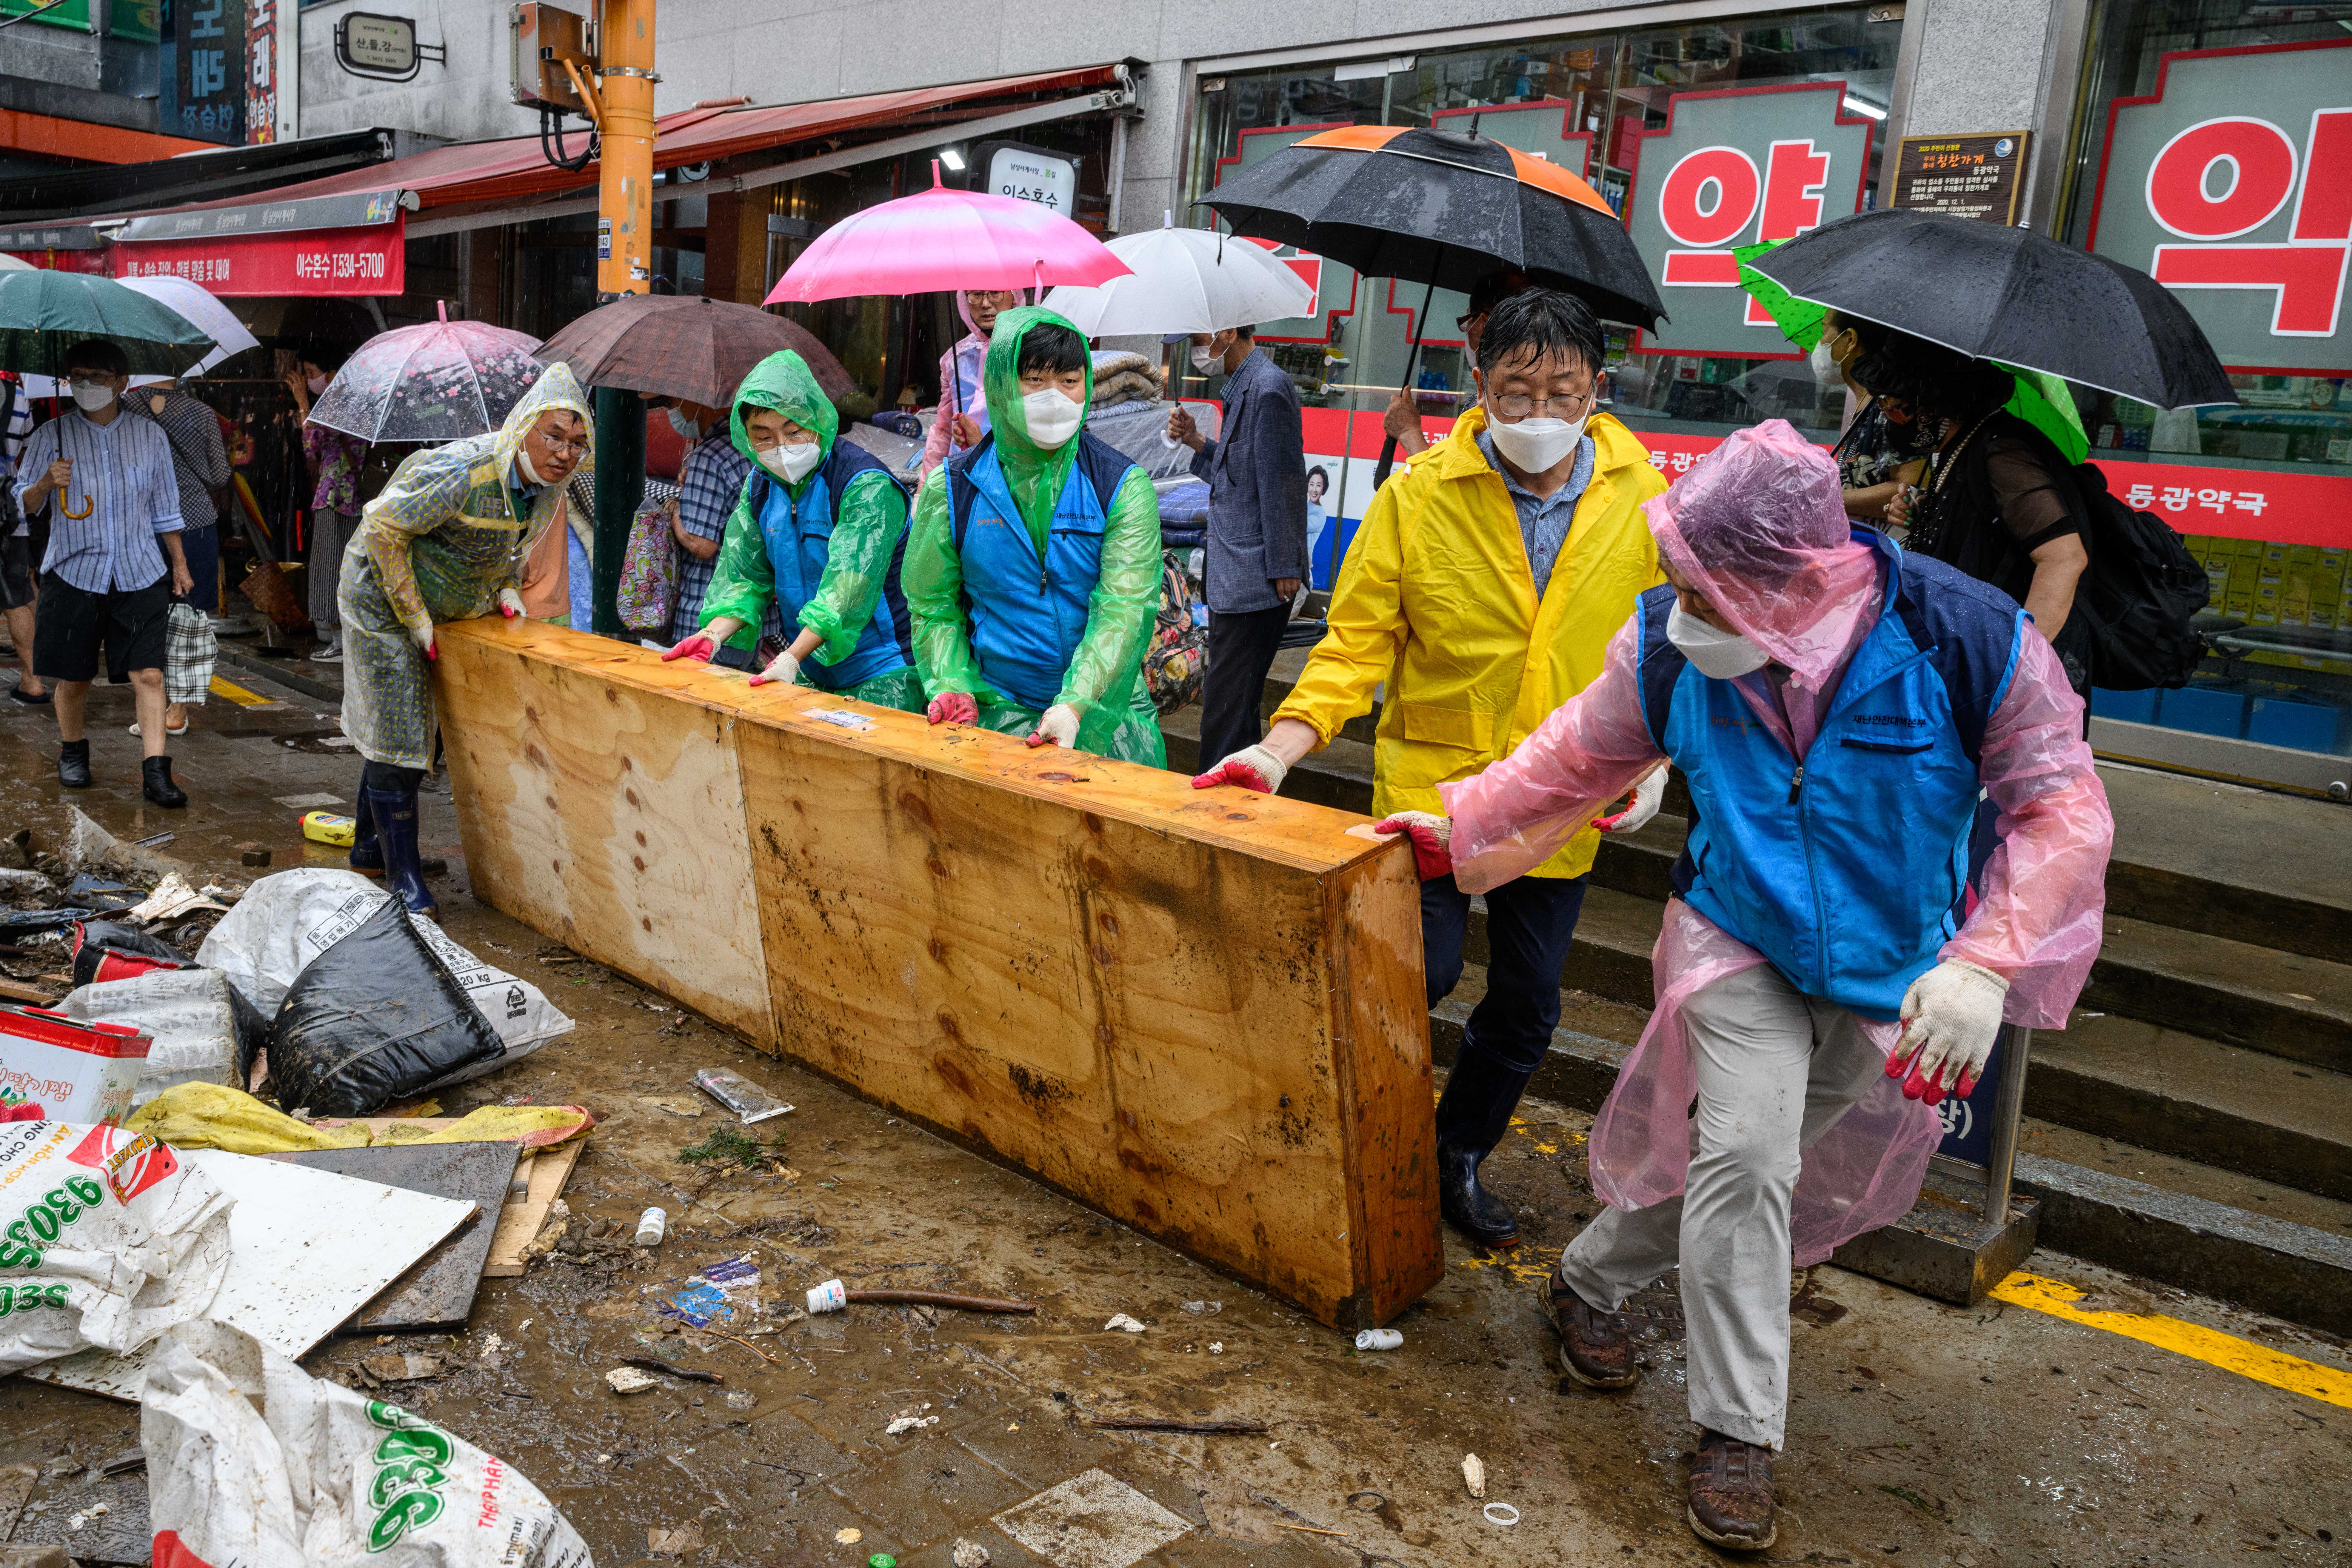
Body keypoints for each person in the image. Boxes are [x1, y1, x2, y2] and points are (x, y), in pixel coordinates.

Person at [1373, 420, 2111, 1552]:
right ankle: (1737, 1432)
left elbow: (2059, 805)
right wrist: (1457, 820)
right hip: (1735, 932)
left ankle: (1586, 1277)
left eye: (1705, 593)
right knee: (1749, 1155)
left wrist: (1982, 960)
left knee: (1742, 1168)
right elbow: (1573, 753)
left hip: (1894, 967)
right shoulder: (1668, 651)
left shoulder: (1966, 638)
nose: (1682, 612)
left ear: (1796, 579)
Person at [1193, 288, 1671, 1249]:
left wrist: (1661, 755)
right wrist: (1278, 746)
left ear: (1598, 390)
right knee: (1422, 971)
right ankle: (1352, 1139)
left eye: (1562, 391)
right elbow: (1352, 645)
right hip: (1433, 794)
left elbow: (1672, 643)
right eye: (1516, 390)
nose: (1539, 414)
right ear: (1479, 387)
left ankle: (1453, 1153)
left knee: (1530, 1003)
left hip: (1568, 795)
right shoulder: (1418, 494)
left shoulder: (1650, 497)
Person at [339, 364, 594, 918]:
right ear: (524, 425)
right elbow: (384, 527)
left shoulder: (546, 490)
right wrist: (413, 614)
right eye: (553, 435)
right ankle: (404, 878)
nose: (564, 452)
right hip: (381, 596)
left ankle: (368, 847)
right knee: (400, 724)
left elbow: (507, 546)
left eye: (577, 443)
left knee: (406, 726)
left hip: (448, 601)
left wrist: (505, 587)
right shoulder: (463, 470)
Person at [906, 305, 1165, 764]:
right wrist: (951, 682)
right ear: (1003, 385)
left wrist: (1076, 703)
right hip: (997, 710)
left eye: (1069, 381)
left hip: (1107, 716)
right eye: (1036, 381)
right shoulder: (953, 489)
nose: (1056, 398)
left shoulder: (1121, 486)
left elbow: (1125, 609)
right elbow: (933, 606)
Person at [661, 350, 923, 711]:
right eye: (763, 436)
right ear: (747, 438)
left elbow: (844, 593)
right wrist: (711, 636)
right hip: (811, 665)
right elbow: (746, 580)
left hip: (884, 666)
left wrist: (790, 658)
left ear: (817, 420)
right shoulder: (760, 486)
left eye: (794, 430)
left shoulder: (865, 486)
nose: (781, 448)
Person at [11, 339, 195, 807]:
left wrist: (179, 563)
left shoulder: (150, 436)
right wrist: (45, 484)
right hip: (75, 572)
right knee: (74, 678)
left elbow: (165, 508)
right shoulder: (51, 435)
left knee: (150, 676)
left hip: (139, 572)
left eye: (96, 377)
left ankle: (156, 772)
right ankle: (73, 752)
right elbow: (20, 507)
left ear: (122, 383)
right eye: (77, 376)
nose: (85, 386)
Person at [1863, 334, 2096, 695]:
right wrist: (1925, 514)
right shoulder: (1960, 446)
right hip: (1972, 657)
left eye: (1895, 406)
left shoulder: (2001, 452)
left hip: (2008, 680)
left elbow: (2064, 557)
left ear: (1932, 405)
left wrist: (2019, 669)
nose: (1887, 416)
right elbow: (1982, 527)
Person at [1166, 322, 1309, 769]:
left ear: (1227, 332)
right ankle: (1238, 803)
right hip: (1236, 576)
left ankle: (1214, 807)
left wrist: (1286, 564)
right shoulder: (1244, 388)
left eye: (1197, 341)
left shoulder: (1267, 389)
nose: (1197, 351)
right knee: (1234, 710)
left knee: (1225, 714)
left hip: (1255, 580)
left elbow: (1284, 480)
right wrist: (1194, 440)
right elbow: (1239, 475)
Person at [132, 378, 230, 738]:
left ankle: (148, 705)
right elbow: (220, 475)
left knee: (144, 609)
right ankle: (176, 711)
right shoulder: (201, 412)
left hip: (143, 521)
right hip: (194, 522)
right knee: (188, 612)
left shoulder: (126, 409)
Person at [655, 397, 764, 663]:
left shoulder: (711, 454)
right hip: (749, 616)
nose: (674, 412)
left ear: (698, 402)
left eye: (674, 404)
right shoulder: (754, 447)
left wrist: (675, 514)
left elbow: (702, 545)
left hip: (708, 615)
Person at [1382, 268, 1534, 458]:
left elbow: (1452, 483)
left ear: (1482, 322)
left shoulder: (1496, 402)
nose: (1467, 329)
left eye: (1468, 320)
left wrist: (1409, 433)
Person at [289, 346, 366, 662]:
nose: (308, 380)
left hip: (337, 497)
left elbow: (311, 444)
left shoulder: (340, 402)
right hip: (353, 498)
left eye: (310, 373)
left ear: (332, 373)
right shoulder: (358, 400)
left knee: (329, 568)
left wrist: (303, 403)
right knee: (346, 569)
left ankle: (339, 642)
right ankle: (343, 641)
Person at [920, 288, 1029, 478]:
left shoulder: (1032, 353)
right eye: (976, 295)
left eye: (996, 293)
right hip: (962, 476)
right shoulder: (955, 359)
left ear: (1015, 296)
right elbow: (943, 432)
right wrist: (927, 489)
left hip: (1015, 478)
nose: (985, 304)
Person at [0, 373, 43, 706]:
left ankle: (33, 679)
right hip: (9, 513)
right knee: (17, 592)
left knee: (15, 598)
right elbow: (28, 448)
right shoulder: (16, 396)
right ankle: (33, 678)